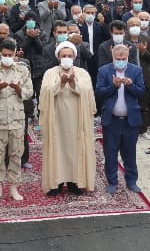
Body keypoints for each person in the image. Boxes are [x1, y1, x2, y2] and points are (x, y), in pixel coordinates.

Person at [39, 41, 96, 196]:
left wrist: (72, 83)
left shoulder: (82, 73)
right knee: (57, 148)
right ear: (58, 57)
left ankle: (74, 182)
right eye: (63, 55)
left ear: (74, 57)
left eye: (69, 55)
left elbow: (87, 92)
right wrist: (61, 83)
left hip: (77, 120)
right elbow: (45, 94)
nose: (66, 58)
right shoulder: (50, 73)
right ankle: (55, 184)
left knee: (75, 149)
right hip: (56, 120)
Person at [0, 39, 34, 201]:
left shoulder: (22, 70)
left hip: (17, 120)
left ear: (15, 52)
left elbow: (30, 92)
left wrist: (18, 89)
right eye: (4, 55)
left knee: (16, 155)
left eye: (10, 55)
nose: (7, 57)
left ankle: (13, 188)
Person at [95, 44, 146, 195]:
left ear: (128, 57)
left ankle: (131, 182)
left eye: (123, 59)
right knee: (110, 153)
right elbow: (99, 93)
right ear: (113, 57)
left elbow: (142, 92)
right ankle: (112, 182)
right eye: (118, 59)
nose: (121, 61)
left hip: (130, 121)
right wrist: (114, 85)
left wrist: (130, 86)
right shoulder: (104, 71)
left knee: (130, 153)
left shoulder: (135, 70)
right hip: (112, 121)